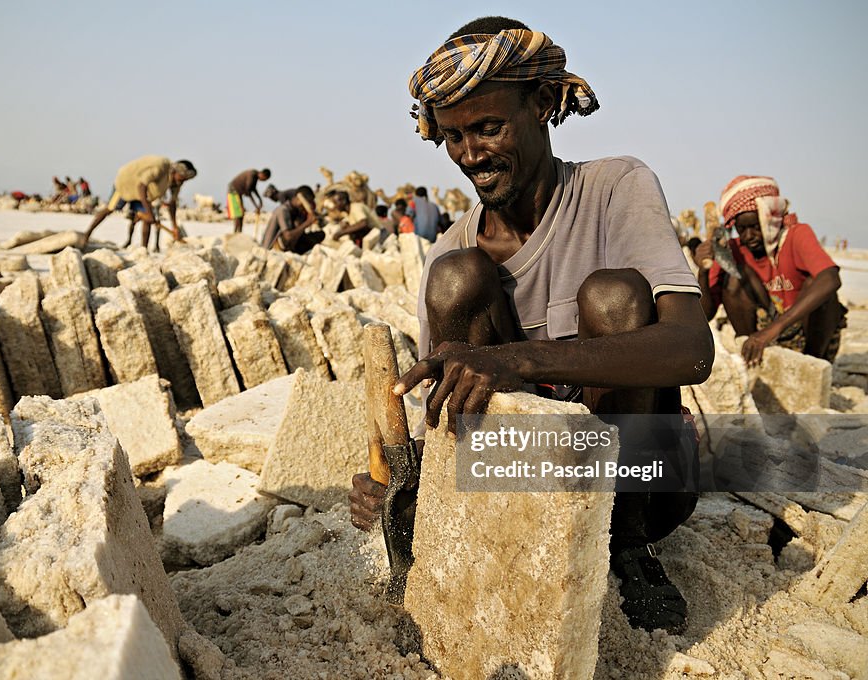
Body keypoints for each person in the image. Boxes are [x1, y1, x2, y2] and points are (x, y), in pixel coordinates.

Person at [348, 16, 713, 635]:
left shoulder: (614, 188)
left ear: (543, 105)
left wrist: (520, 359)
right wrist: (397, 482)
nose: (472, 156)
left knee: (614, 294)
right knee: (455, 278)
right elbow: (446, 413)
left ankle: (628, 550)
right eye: (454, 137)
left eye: (489, 128)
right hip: (529, 478)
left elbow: (691, 348)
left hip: (645, 482)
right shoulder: (452, 253)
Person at [696, 175, 845, 366]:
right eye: (742, 229)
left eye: (756, 227)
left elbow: (831, 278)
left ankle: (813, 364)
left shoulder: (796, 234)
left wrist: (773, 330)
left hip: (803, 333)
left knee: (820, 288)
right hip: (761, 336)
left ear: (771, 218)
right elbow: (704, 315)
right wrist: (702, 271)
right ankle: (750, 357)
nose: (749, 236)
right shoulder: (732, 251)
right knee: (734, 280)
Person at [83, 156, 196, 251]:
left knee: (147, 219)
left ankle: (143, 250)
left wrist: (175, 227)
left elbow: (172, 203)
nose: (183, 181)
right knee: (111, 208)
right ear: (177, 171)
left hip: (143, 194)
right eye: (183, 178)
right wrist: (148, 211)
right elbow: (141, 185)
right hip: (128, 183)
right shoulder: (161, 166)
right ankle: (86, 235)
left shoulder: (177, 182)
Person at [260, 185, 324, 254]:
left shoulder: (296, 212)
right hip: (271, 250)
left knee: (319, 235)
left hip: (288, 246)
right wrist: (307, 223)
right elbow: (288, 237)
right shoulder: (283, 210)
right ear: (300, 199)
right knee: (288, 237)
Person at [227, 168, 271, 233]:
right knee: (239, 214)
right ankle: (235, 233)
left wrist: (260, 200)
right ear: (263, 175)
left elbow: (253, 189)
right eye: (265, 179)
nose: (263, 181)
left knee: (241, 214)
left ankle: (239, 233)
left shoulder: (255, 176)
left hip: (238, 193)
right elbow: (248, 191)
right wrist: (256, 206)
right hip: (233, 191)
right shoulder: (252, 175)